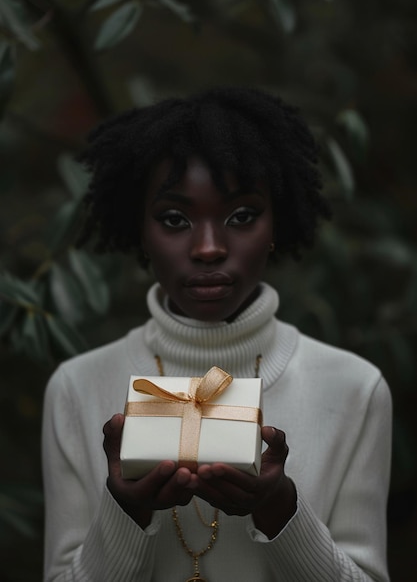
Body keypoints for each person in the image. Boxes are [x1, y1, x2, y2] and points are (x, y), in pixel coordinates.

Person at [42, 87, 392, 581]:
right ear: (141, 229)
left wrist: (283, 514)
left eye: (241, 216)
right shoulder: (76, 388)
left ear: (275, 223)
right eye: (175, 219)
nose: (208, 248)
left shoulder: (355, 388)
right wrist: (124, 516)